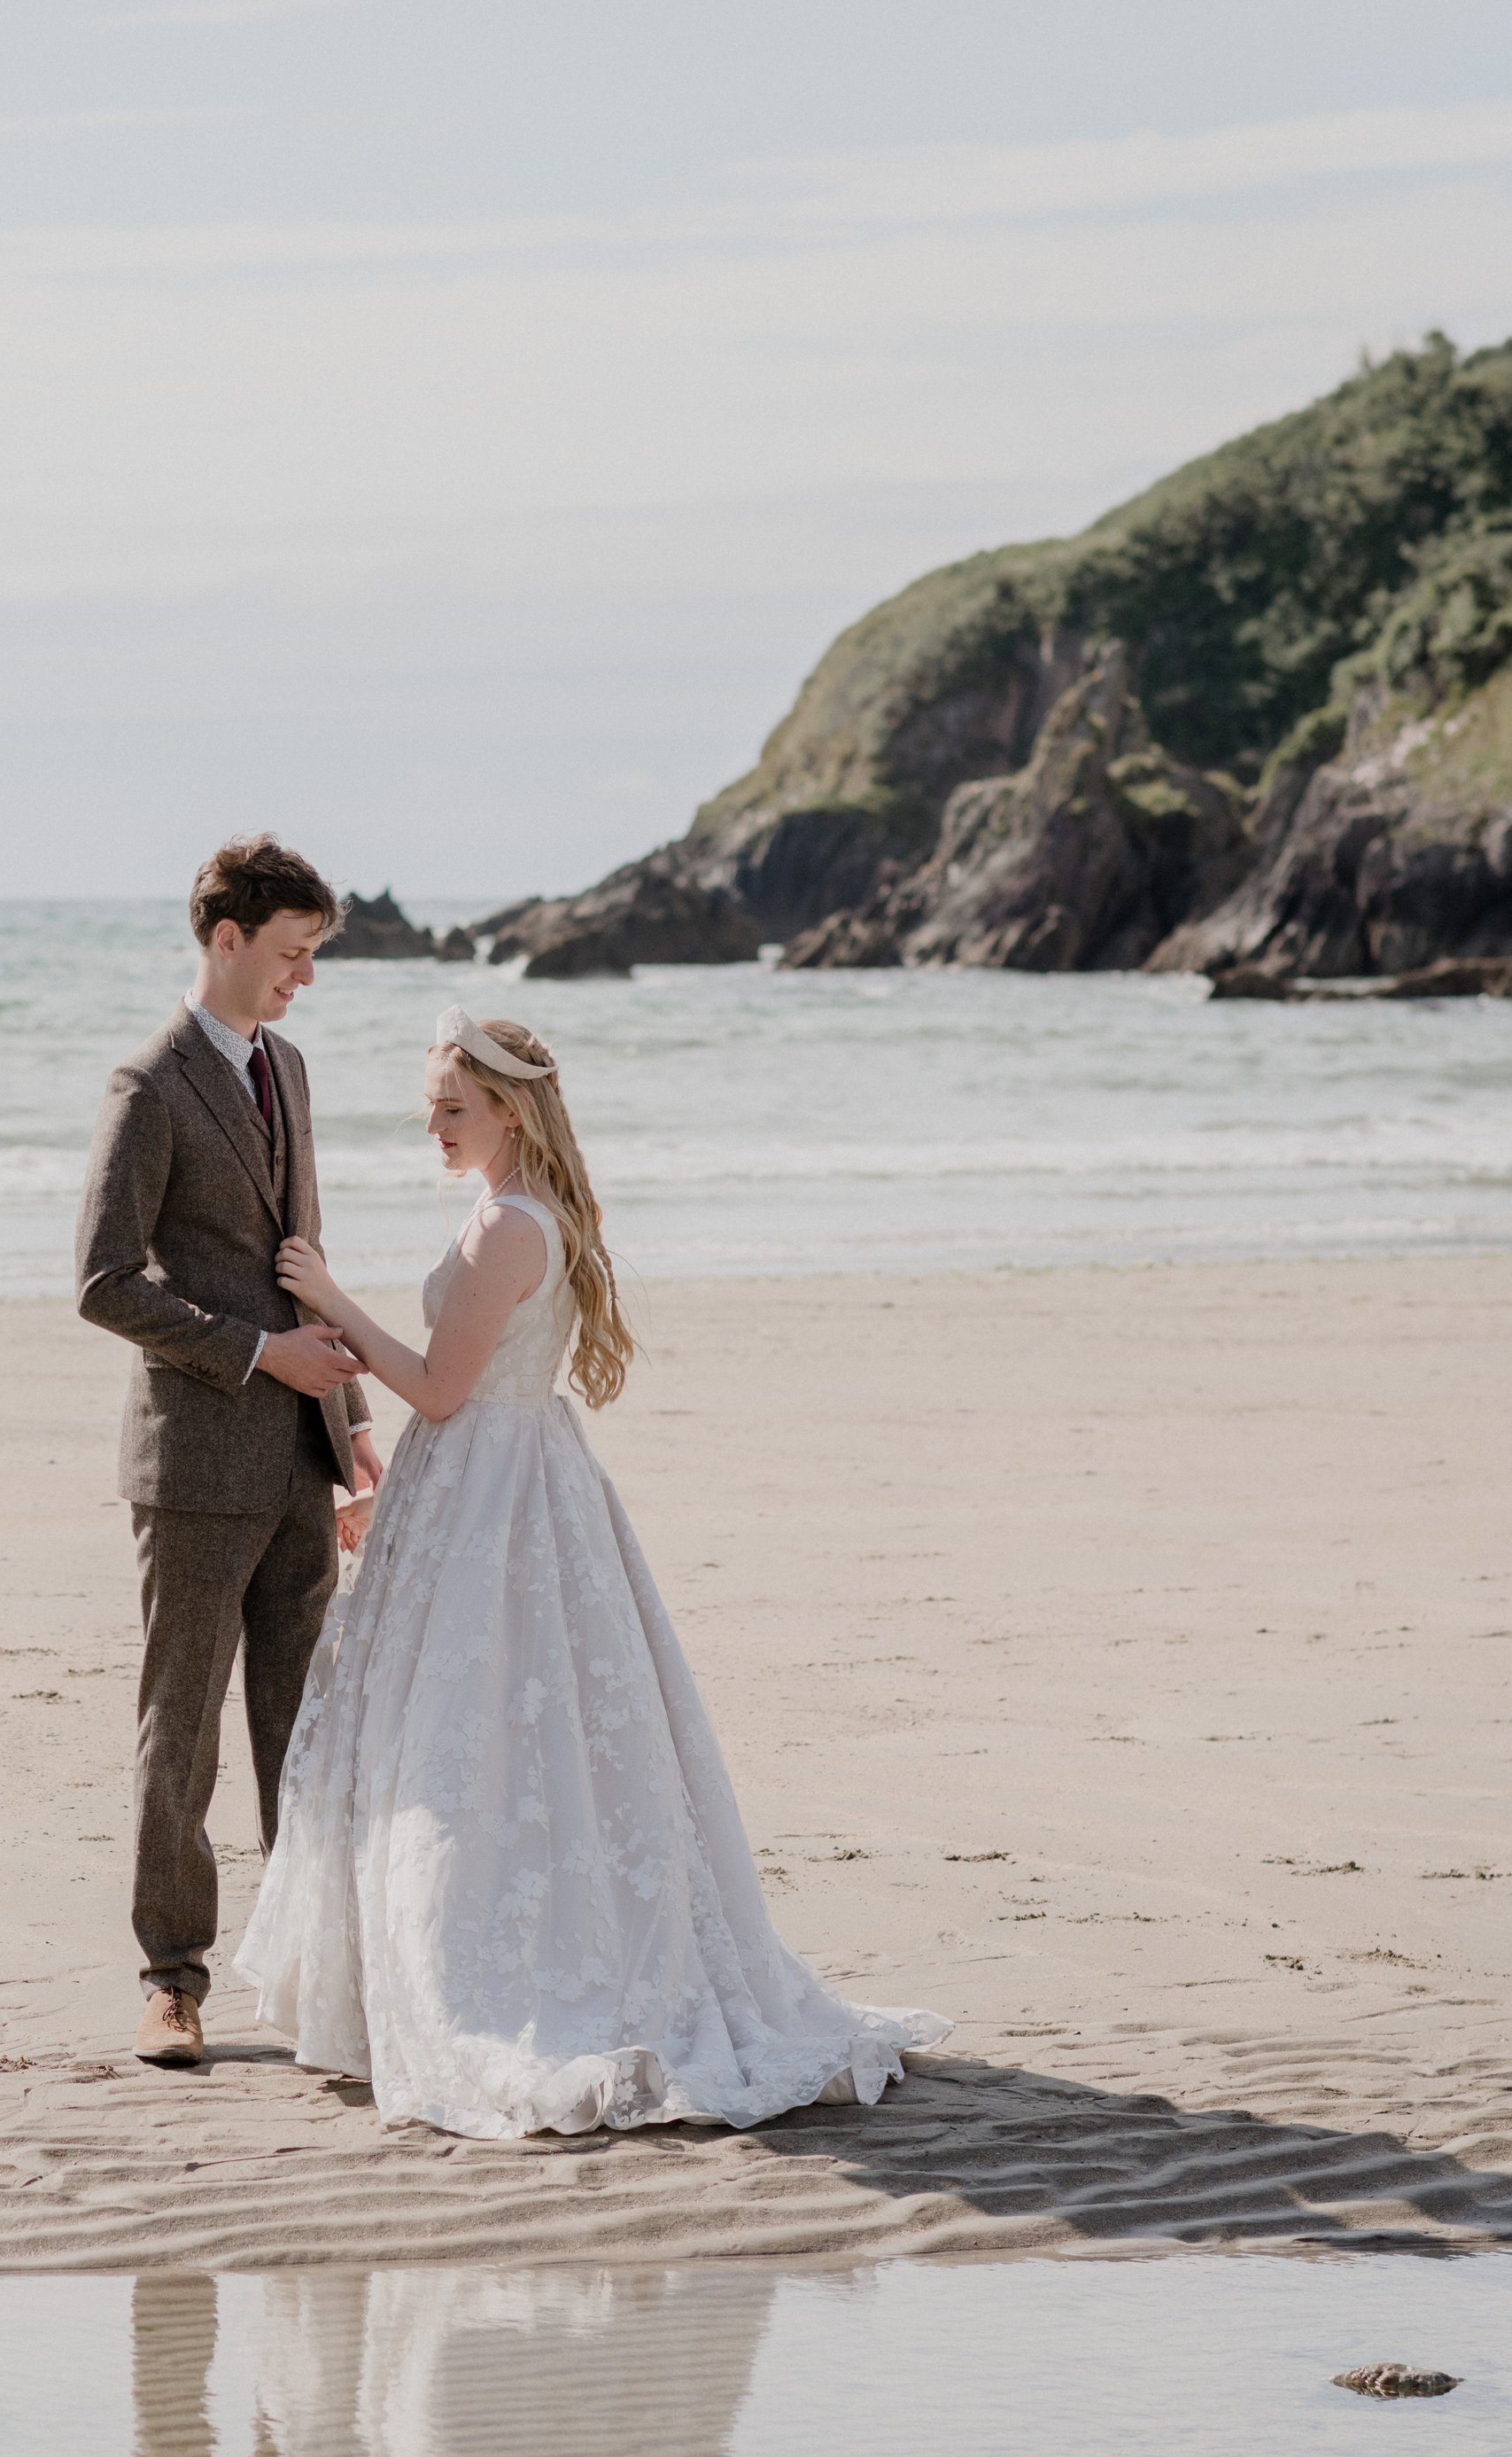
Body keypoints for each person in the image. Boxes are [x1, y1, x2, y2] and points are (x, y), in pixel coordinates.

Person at [234, 1006, 949, 2135]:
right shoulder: (523, 1213)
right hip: (505, 1480)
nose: (431, 1123)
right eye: (433, 1104)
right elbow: (478, 1394)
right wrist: (390, 1492)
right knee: (520, 1728)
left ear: (508, 1112)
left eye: (451, 1107)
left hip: (494, 1486)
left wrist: (329, 1302)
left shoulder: (503, 1229)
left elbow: (439, 1389)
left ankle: (487, 1978)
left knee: (464, 1735)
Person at [75, 835, 382, 2068]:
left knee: (303, 1728)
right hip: (196, 1463)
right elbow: (103, 1282)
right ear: (225, 937)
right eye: (291, 954)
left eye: (313, 957)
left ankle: (319, 1975)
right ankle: (172, 1981)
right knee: (182, 1731)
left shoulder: (288, 1067)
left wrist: (352, 1426)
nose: (302, 978)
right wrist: (260, 1359)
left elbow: (301, 1256)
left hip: (303, 1455)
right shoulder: (147, 1086)